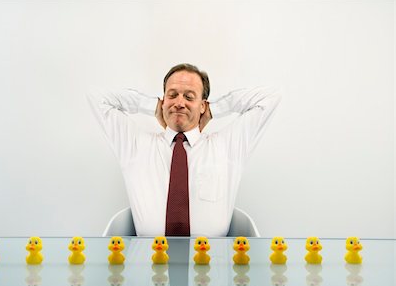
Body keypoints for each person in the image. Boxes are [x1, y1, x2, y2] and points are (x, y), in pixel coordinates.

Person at [88, 63, 281, 237]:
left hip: (210, 266)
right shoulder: (135, 146)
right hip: (149, 266)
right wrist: (151, 105)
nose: (179, 103)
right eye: (172, 95)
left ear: (203, 105)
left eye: (189, 97)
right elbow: (96, 97)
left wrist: (215, 110)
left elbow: (271, 97)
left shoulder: (227, 146)